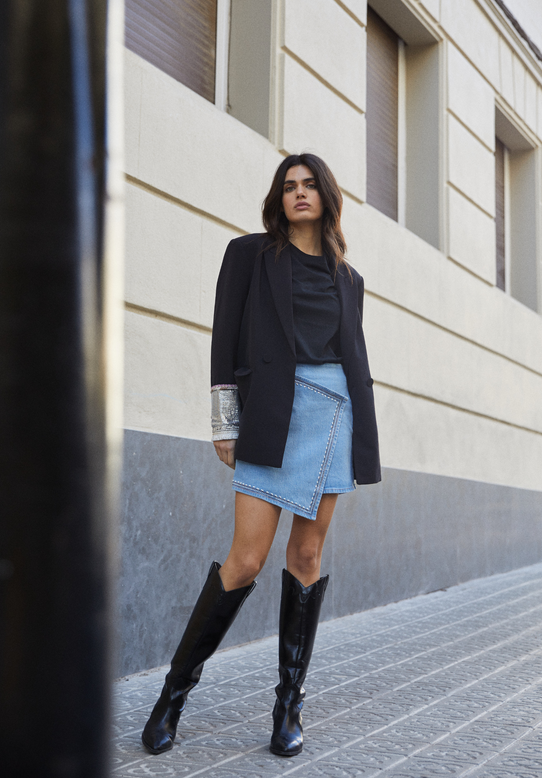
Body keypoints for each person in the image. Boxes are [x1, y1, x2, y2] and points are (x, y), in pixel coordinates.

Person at [142, 153, 380, 758]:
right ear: (279, 198)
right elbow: (224, 338)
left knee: (307, 555)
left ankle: (288, 706)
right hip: (272, 414)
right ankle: (172, 695)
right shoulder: (249, 254)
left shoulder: (349, 279)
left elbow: (352, 355)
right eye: (289, 186)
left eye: (310, 185)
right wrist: (226, 423)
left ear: (326, 197)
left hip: (332, 414)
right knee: (245, 560)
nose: (299, 193)